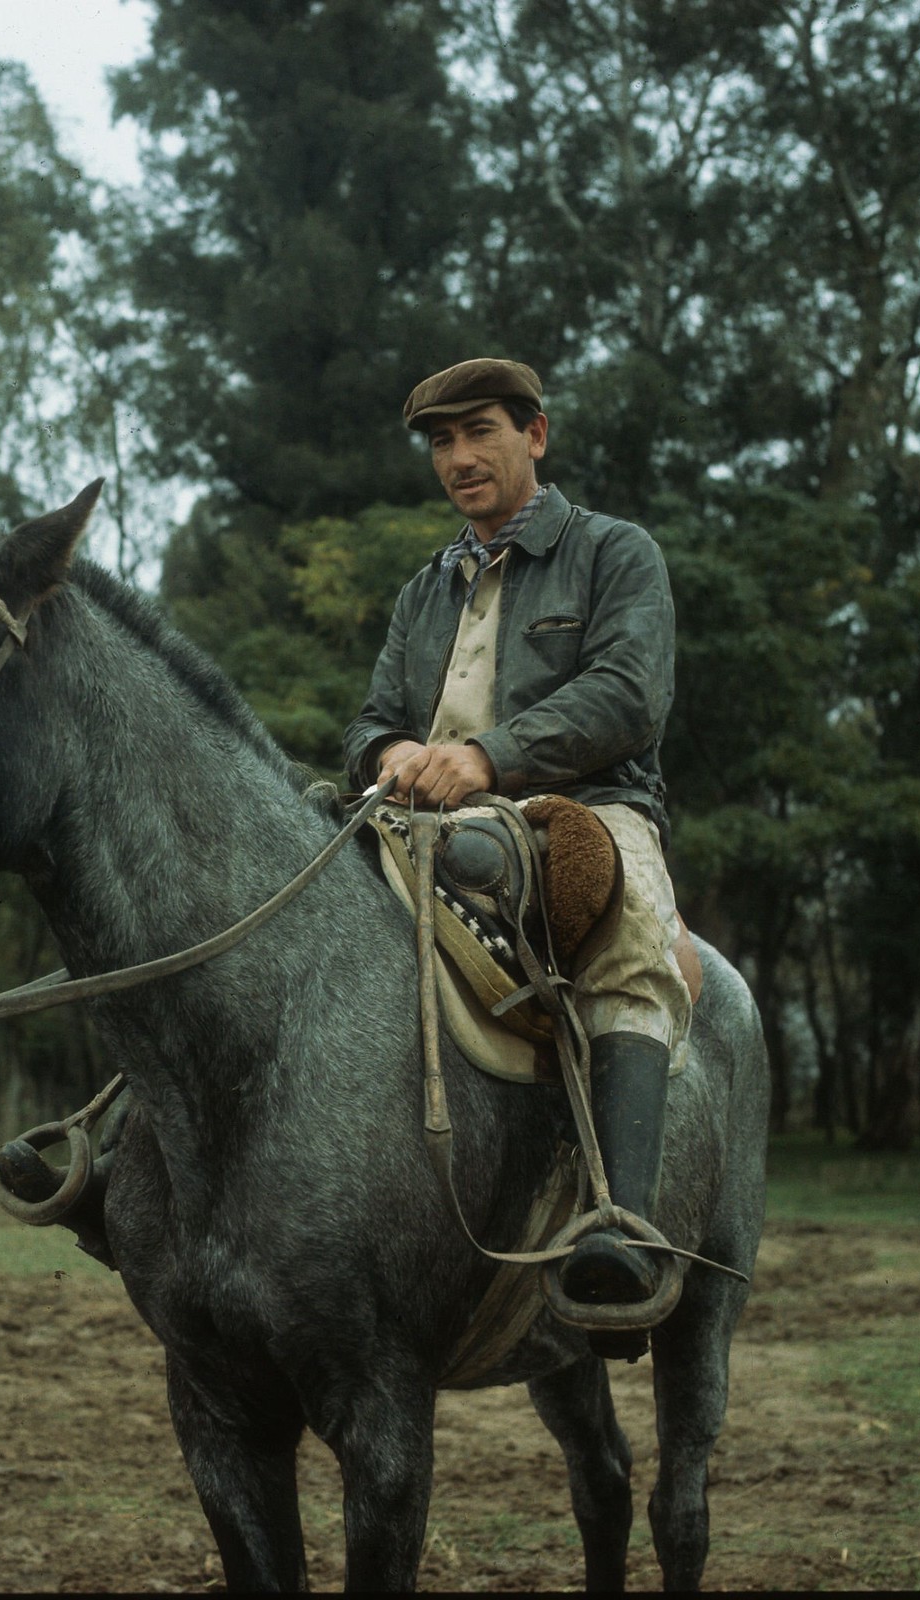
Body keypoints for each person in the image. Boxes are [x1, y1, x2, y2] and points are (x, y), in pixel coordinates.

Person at [343, 357, 691, 1328]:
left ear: (535, 435)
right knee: (272, 886)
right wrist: (392, 746)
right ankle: (122, 1146)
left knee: (627, 932)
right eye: (442, 443)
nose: (459, 457)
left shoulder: (617, 553)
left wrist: (489, 757)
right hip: (418, 816)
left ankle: (622, 1223)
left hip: (582, 807)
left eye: (480, 432)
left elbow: (630, 695)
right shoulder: (424, 590)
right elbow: (368, 718)